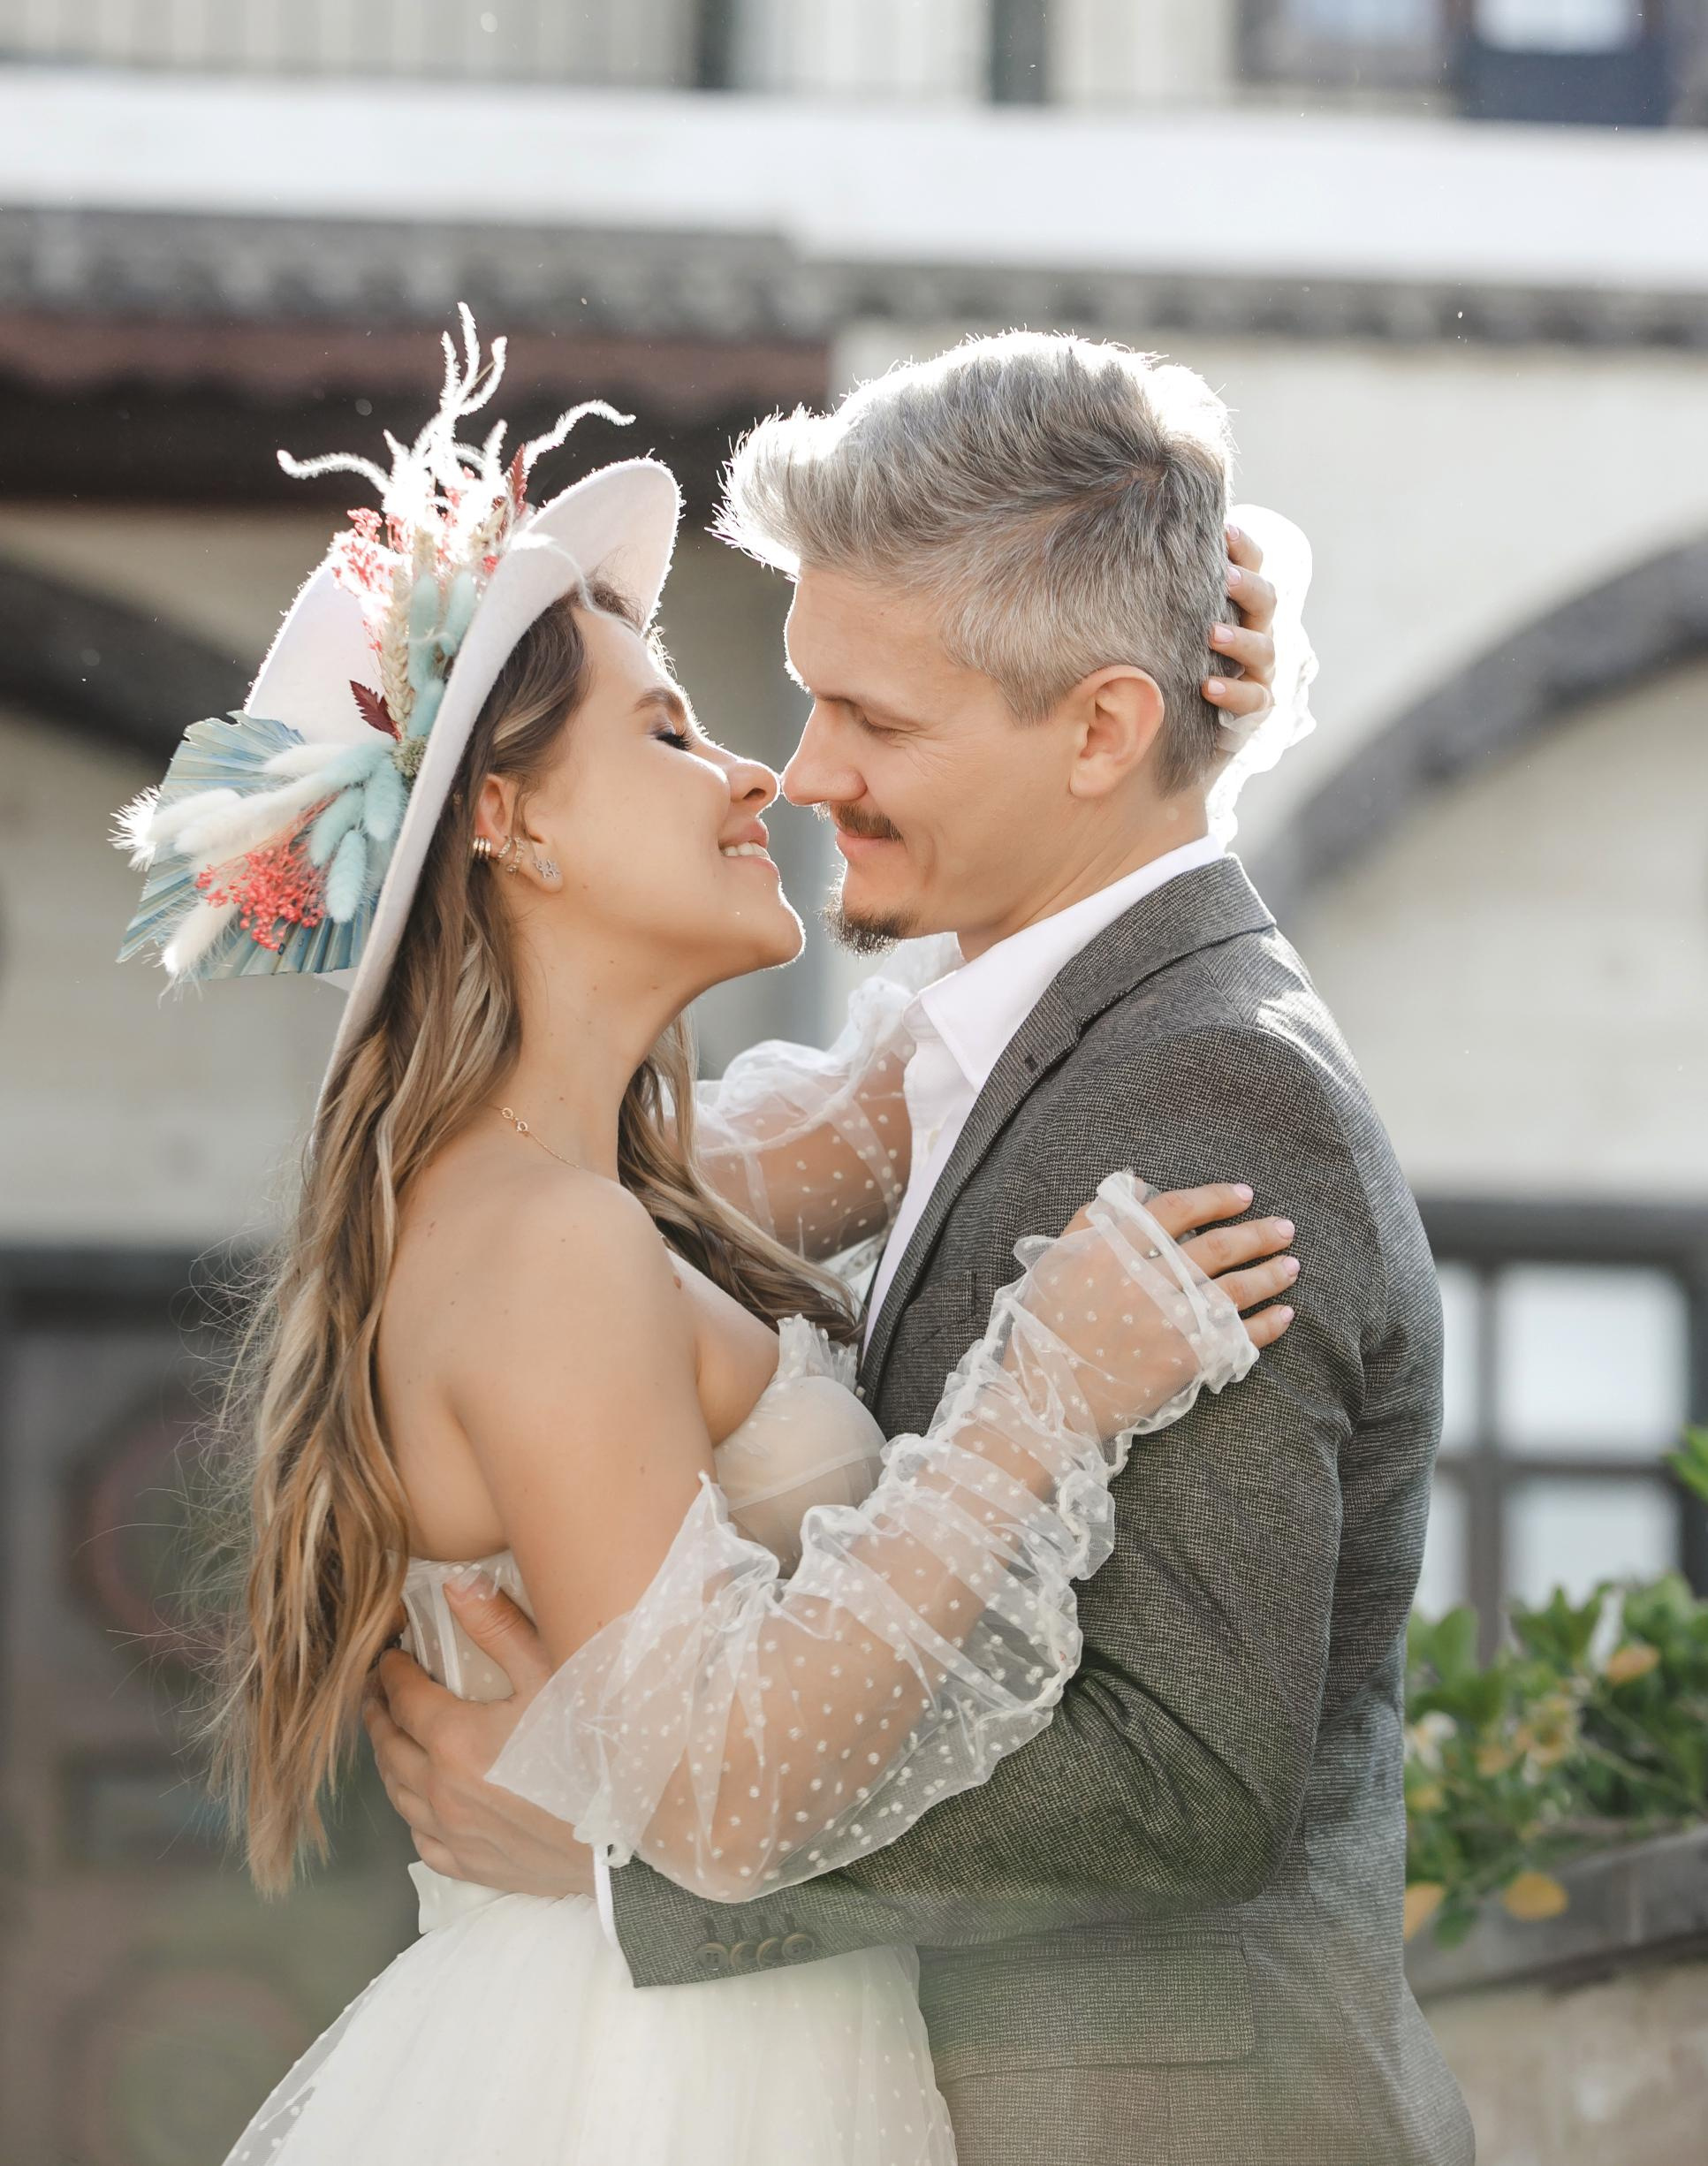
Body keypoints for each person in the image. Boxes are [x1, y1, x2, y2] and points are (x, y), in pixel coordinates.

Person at [115, 315, 1302, 2166]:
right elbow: (727, 1794)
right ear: (509, 824)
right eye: (669, 728)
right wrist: (1035, 1406)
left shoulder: (589, 1198)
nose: (766, 776)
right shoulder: (547, 1246)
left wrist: (1149, 700)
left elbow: (960, 1051)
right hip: (662, 2091)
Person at [369, 331, 1476, 2166]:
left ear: (1104, 723)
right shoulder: (929, 1067)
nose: (795, 776)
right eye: (791, 703)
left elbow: (1185, 1781)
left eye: (871, 721)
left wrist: (618, 1849)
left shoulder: (1211, 1098)